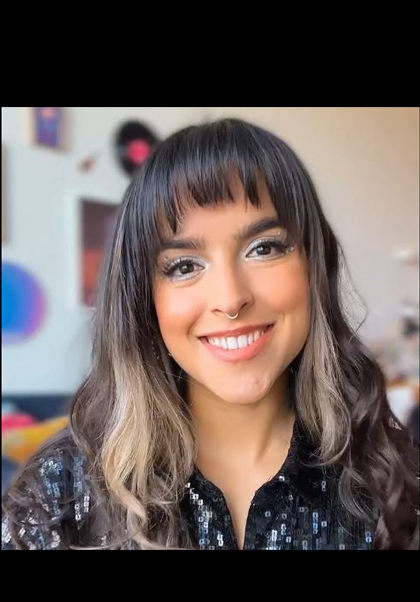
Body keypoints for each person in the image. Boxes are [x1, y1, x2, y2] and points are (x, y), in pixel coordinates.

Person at [2, 118, 418, 550]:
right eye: (184, 266)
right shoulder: (58, 497)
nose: (230, 299)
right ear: (143, 298)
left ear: (314, 266)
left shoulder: (394, 482)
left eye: (264, 248)